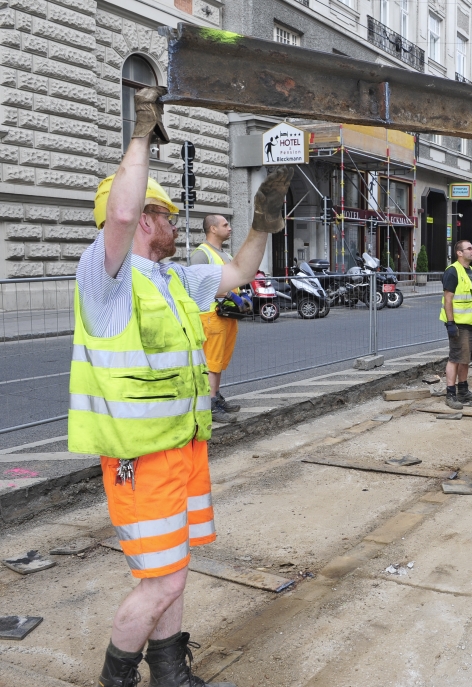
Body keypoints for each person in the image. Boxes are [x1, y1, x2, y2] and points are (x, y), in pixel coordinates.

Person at [71, 85, 294, 687]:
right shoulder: (106, 277)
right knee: (161, 579)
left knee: (175, 568)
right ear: (145, 217)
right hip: (140, 459)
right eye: (167, 214)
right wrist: (142, 132)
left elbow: (241, 271)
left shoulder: (171, 279)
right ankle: (116, 679)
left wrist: (262, 225)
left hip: (182, 449)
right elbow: (118, 213)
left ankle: (169, 672)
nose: (175, 222)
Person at [191, 215, 247, 424]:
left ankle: (215, 396)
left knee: (220, 361)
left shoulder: (224, 254)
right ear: (213, 229)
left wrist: (240, 295)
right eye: (225, 225)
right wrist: (230, 295)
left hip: (226, 314)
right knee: (212, 363)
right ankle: (210, 404)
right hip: (211, 314)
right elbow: (198, 285)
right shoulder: (201, 254)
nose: (230, 228)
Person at [441, 240, 472, 410]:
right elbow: (448, 299)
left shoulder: (471, 272)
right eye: (469, 248)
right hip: (459, 324)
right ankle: (450, 394)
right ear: (459, 253)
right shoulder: (453, 271)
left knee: (465, 359)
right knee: (455, 358)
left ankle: (463, 390)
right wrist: (451, 323)